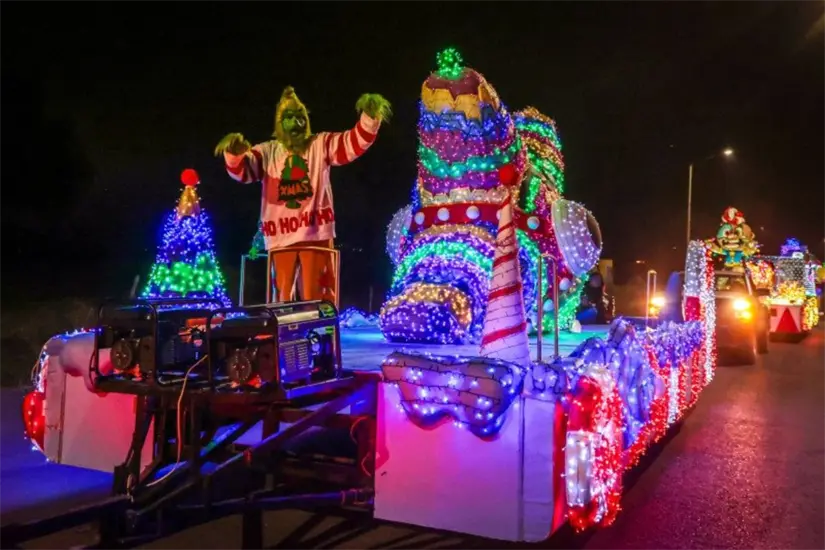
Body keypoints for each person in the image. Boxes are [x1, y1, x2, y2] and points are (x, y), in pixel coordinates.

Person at [215, 87, 391, 302]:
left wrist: (369, 119)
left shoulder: (319, 144)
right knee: (281, 298)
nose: (295, 123)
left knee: (319, 296)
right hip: (281, 238)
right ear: (279, 123)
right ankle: (284, 323)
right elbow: (243, 172)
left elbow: (350, 144)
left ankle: (320, 323)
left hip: (315, 235)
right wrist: (234, 154)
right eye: (288, 118)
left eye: (299, 117)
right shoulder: (268, 152)